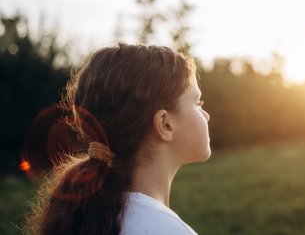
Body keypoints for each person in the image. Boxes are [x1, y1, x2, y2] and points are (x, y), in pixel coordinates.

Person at [25, 43, 211, 235]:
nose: (206, 115)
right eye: (197, 103)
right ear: (165, 124)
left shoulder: (88, 217)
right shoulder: (168, 230)